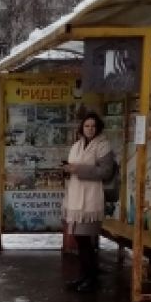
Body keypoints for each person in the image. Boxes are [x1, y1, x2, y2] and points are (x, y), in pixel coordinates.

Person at [61, 113, 115, 292]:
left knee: (85, 241)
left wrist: (78, 169)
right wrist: (68, 169)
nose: (90, 129)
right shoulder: (77, 145)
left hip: (90, 201)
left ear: (98, 127)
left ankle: (91, 278)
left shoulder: (103, 146)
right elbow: (74, 166)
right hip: (76, 199)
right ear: (82, 128)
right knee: (79, 239)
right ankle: (83, 276)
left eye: (93, 126)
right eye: (87, 126)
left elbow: (106, 172)